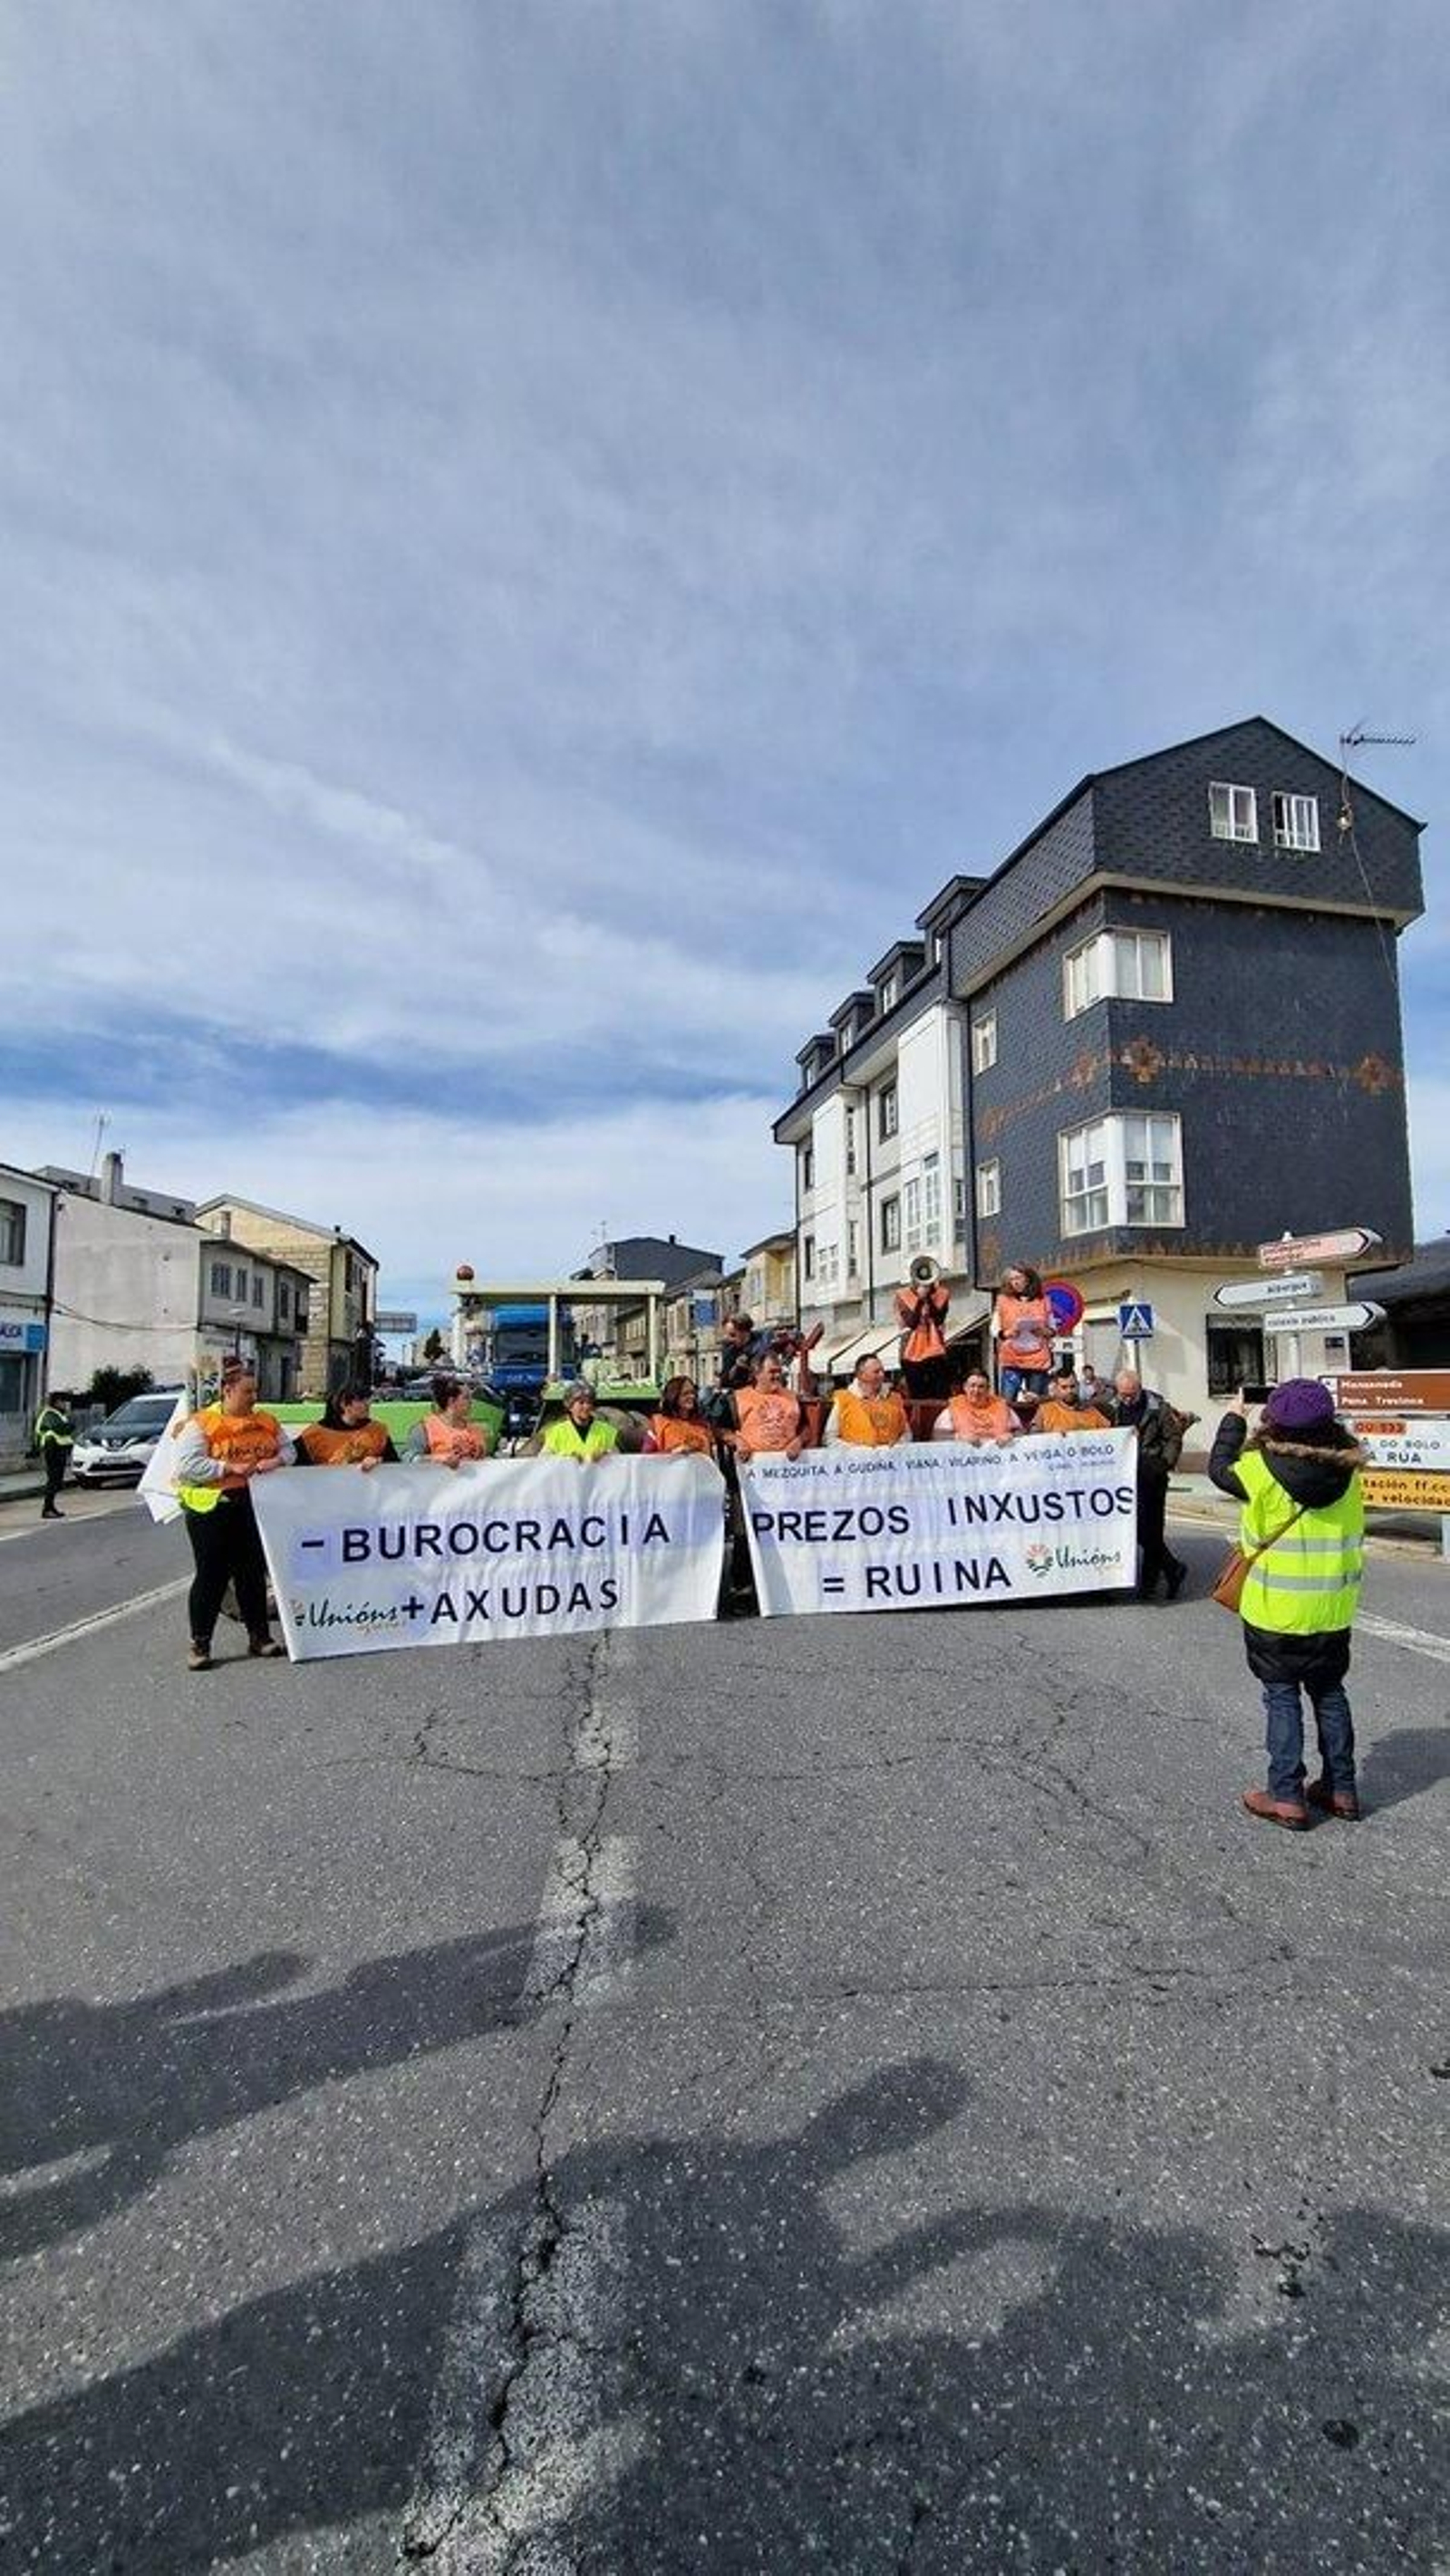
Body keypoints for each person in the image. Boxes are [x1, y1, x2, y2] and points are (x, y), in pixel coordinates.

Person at [1209, 1380, 1368, 1831]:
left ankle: (1285, 1795)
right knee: (1330, 1693)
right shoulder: (1350, 1471)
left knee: (1281, 1697)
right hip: (1332, 1608)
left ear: (1273, 1420)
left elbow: (1220, 1468)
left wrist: (1234, 1417)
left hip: (1274, 1609)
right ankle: (1341, 1789)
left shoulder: (1259, 1468)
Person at [172, 1360, 293, 1671]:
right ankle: (200, 1643)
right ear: (228, 1391)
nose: (254, 1397)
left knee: (251, 1573)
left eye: (255, 1391)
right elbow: (187, 1465)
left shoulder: (266, 1421)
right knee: (211, 1576)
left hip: (252, 1505)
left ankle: (259, 1637)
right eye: (247, 1391)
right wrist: (227, 1467)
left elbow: (289, 1451)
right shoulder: (202, 1424)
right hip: (212, 1507)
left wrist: (277, 1461)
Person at [1108, 1369, 1195, 1601]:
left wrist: (1165, 1463)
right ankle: (1173, 1568)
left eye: (1131, 1394)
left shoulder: (1158, 1407)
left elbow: (1173, 1437)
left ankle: (1149, 1585)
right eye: (1123, 1394)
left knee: (1152, 1530)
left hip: (1151, 1473)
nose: (1127, 1399)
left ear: (1140, 1388)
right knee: (1138, 1530)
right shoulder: (1109, 1405)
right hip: (1124, 1476)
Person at [294, 1383, 399, 1469]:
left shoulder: (378, 1431)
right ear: (344, 1404)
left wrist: (378, 1461)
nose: (368, 1403)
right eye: (361, 1400)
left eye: (368, 1399)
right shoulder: (315, 1434)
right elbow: (293, 1465)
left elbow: (396, 1465)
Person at [991, 1264, 1054, 1402]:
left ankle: (1033, 1424)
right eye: (1011, 1279)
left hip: (1038, 1359)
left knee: (1035, 1402)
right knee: (1007, 1402)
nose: (1015, 1282)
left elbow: (1053, 1329)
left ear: (1028, 1278)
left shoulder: (1043, 1300)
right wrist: (1007, 1333)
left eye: (1018, 1277)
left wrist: (1044, 1331)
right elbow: (994, 1329)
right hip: (1012, 1359)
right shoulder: (1003, 1300)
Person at [824, 1353, 911, 1447]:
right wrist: (856, 1450)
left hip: (891, 1460)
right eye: (876, 1372)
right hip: (858, 1460)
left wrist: (897, 1447)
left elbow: (906, 1434)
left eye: (882, 1370)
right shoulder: (843, 1399)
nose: (882, 1375)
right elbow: (829, 1438)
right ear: (861, 1375)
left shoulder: (895, 1399)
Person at [403, 1375, 491, 1466]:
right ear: (451, 1401)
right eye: (466, 1397)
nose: (471, 1401)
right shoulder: (425, 1428)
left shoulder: (475, 1429)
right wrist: (439, 1460)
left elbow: (486, 1459)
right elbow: (408, 1458)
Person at [732, 1351, 806, 1459]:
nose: (777, 1376)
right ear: (757, 1374)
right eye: (772, 1372)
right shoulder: (738, 1398)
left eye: (779, 1371)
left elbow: (807, 1427)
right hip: (754, 1465)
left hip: (788, 1465)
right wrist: (737, 1441)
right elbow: (720, 1430)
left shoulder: (793, 1397)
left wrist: (799, 1441)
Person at [894, 1270, 952, 1401]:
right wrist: (920, 1300)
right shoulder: (903, 1295)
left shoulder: (942, 1294)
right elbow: (911, 1323)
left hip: (935, 1349)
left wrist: (929, 1299)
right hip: (911, 1351)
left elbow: (938, 1320)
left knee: (940, 1392)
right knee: (918, 1394)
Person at [933, 1369, 1016, 1446]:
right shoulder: (952, 1409)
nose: (976, 1391)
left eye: (981, 1387)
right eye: (972, 1386)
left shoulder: (1002, 1407)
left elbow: (1021, 1432)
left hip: (999, 1457)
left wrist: (1011, 1436)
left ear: (988, 1389)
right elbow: (937, 1435)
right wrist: (958, 1437)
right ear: (965, 1387)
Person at [542, 1381, 620, 1461]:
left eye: (589, 1402)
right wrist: (564, 1459)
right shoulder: (556, 1433)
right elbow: (542, 1463)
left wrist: (605, 1456)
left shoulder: (606, 1431)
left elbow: (618, 1461)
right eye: (581, 1403)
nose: (586, 1406)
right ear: (570, 1406)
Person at [1032, 1365, 1112, 1434]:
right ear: (1056, 1388)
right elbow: (1033, 1439)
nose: (1069, 1391)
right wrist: (1054, 1437)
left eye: (1072, 1386)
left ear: (1078, 1385)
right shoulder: (1045, 1411)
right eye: (1064, 1387)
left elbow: (1109, 1434)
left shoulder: (1091, 1410)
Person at [34, 1390, 74, 1520]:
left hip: (58, 1449)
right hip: (52, 1449)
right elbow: (60, 1429)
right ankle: (47, 1509)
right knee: (53, 1480)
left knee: (56, 1480)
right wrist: (70, 1426)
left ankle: (51, 1508)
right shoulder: (50, 1414)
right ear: (57, 1402)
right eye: (63, 1402)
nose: (65, 1404)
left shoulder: (57, 1414)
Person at [650, 1377, 714, 1457]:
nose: (692, 1396)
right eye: (686, 1393)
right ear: (673, 1396)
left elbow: (710, 1458)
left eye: (693, 1393)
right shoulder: (659, 1423)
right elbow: (647, 1457)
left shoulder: (703, 1425)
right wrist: (674, 1452)